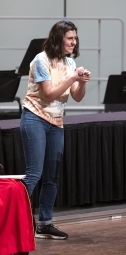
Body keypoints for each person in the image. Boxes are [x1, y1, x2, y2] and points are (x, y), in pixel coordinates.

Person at [20, 20, 91, 239]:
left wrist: (83, 81)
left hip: (56, 122)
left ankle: (44, 223)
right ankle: (13, 220)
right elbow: (49, 94)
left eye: (75, 38)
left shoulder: (69, 63)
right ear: (58, 38)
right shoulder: (41, 60)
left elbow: (77, 97)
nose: (74, 42)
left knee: (52, 176)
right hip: (35, 118)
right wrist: (72, 78)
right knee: (34, 173)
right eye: (70, 38)